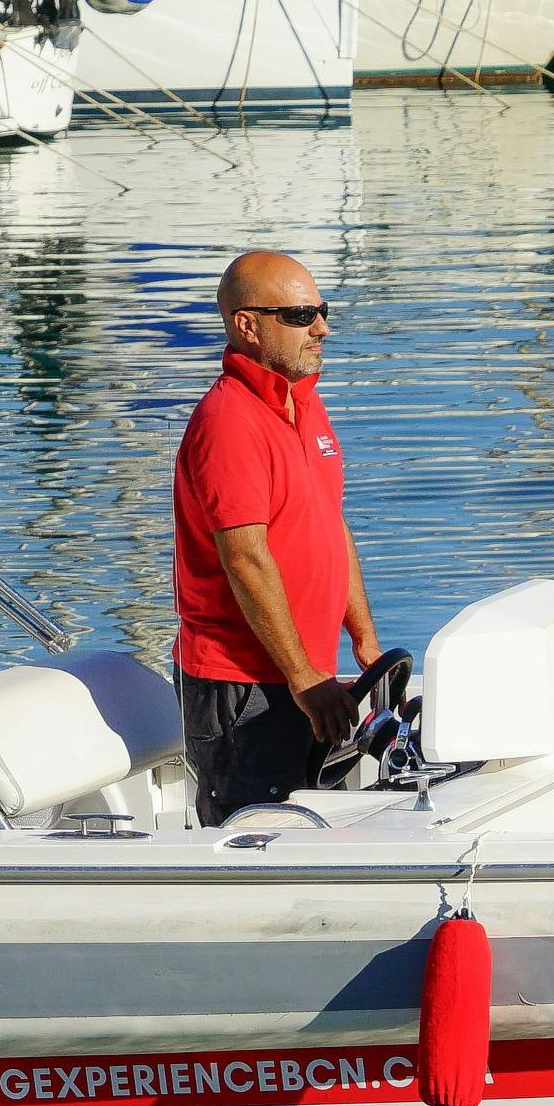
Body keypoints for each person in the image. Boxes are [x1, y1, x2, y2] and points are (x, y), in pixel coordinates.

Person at [173, 250, 380, 825]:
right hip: (246, 687)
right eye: (300, 315)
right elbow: (245, 558)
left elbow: (330, 523)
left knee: (315, 836)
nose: (322, 328)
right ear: (247, 325)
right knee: (256, 841)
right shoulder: (229, 422)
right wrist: (305, 678)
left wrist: (364, 640)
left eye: (322, 310)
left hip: (306, 676)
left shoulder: (305, 404)